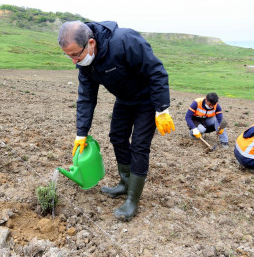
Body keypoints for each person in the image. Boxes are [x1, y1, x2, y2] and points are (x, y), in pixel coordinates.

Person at [57, 20, 175, 222]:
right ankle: (125, 182)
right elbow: (86, 97)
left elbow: (156, 70)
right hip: (125, 99)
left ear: (91, 43)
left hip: (147, 99)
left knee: (139, 146)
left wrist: (162, 109)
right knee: (117, 137)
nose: (74, 61)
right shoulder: (86, 65)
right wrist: (81, 133)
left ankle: (132, 199)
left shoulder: (124, 41)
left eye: (76, 54)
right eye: (69, 56)